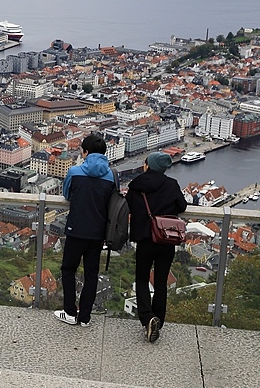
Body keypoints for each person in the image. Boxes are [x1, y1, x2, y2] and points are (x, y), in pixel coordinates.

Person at [126, 151, 188, 343]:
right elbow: (182, 206)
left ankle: (147, 318)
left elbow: (128, 206)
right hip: (166, 238)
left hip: (145, 239)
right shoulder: (172, 184)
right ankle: (158, 320)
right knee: (161, 282)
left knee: (142, 279)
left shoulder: (136, 185)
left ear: (148, 166)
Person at [55, 133, 115, 327]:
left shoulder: (74, 172)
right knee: (91, 274)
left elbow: (67, 194)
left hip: (76, 228)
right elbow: (112, 203)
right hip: (98, 232)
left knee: (68, 269)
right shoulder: (112, 175)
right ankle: (85, 317)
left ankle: (70, 312)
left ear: (86, 152)